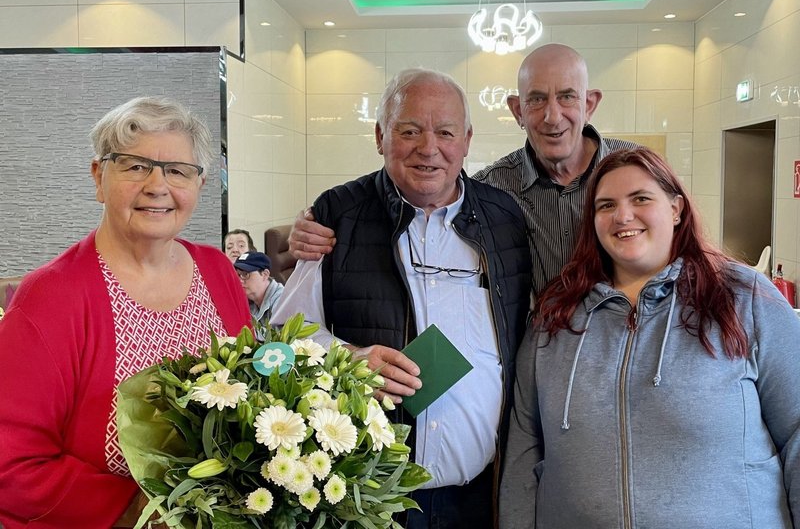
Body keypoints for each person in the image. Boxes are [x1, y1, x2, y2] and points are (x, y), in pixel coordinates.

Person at [272, 68, 531, 529]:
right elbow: (283, 339)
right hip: (364, 494)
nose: (428, 148)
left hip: (479, 496)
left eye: (445, 132)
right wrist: (349, 360)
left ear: (467, 140)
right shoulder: (337, 214)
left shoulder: (504, 218)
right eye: (409, 131)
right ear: (380, 136)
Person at [500, 147, 800, 528]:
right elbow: (524, 451)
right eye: (606, 205)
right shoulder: (555, 316)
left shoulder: (742, 299)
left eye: (640, 198)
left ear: (676, 209)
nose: (623, 216)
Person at [0, 97, 252, 529]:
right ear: (98, 177)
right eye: (135, 166)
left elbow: (252, 393)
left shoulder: (218, 271)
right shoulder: (51, 295)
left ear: (200, 185)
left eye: (177, 171)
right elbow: (11, 464)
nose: (157, 185)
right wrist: (140, 511)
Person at [288, 43, 636, 295]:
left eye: (567, 97)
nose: (552, 116)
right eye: (536, 99)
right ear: (517, 111)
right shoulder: (493, 191)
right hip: (544, 361)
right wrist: (315, 225)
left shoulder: (640, 171)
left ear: (590, 104)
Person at [233, 250, 284, 333]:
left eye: (245, 274)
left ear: (265, 274)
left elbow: (280, 337)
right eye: (238, 275)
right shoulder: (247, 300)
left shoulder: (282, 300)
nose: (240, 281)